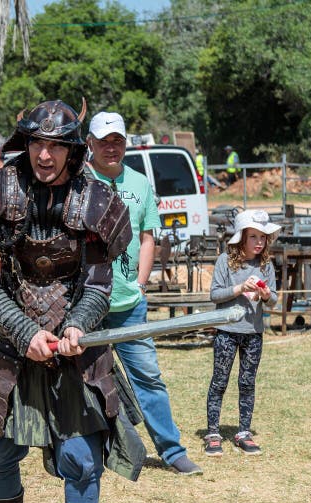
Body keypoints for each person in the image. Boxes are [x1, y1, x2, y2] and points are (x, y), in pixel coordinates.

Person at [0, 100, 146, 503]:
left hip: (75, 348)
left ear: (72, 148)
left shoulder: (98, 199)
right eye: (37, 143)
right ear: (26, 144)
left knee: (81, 457)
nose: (45, 155)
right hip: (8, 344)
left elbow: (98, 285)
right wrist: (26, 333)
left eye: (56, 145)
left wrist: (77, 327)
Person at [85, 112, 202, 476]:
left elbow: (149, 234)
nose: (111, 147)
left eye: (117, 140)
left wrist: (140, 282)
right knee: (82, 380)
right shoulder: (78, 183)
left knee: (148, 377)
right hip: (85, 304)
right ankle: (85, 450)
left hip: (128, 303)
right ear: (89, 143)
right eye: (103, 141)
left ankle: (172, 451)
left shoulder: (139, 182)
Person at [205, 210, 279, 457]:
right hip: (227, 331)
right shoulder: (224, 261)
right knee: (220, 381)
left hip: (253, 333)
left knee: (247, 383)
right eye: (254, 237)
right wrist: (239, 288)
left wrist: (267, 295)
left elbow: (274, 300)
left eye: (263, 237)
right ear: (241, 238)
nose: (259, 242)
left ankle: (244, 432)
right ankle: (213, 433)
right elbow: (215, 295)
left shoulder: (266, 265)